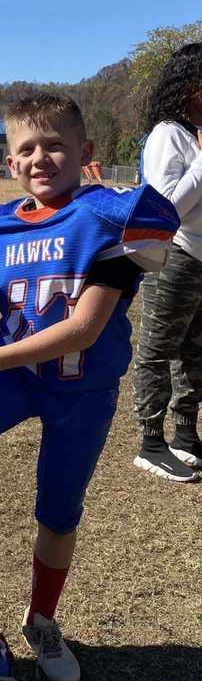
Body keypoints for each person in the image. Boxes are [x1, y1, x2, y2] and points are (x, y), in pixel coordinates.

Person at [0, 92, 179, 681]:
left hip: (81, 388)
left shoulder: (108, 217)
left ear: (84, 152)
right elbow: (3, 314)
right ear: (10, 163)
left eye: (55, 144)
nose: (40, 157)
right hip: (15, 374)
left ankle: (42, 618)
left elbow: (82, 329)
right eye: (26, 149)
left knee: (58, 515)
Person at [133, 42, 202, 481]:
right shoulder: (167, 134)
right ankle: (150, 443)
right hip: (175, 256)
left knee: (193, 353)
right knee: (158, 350)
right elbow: (166, 207)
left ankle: (187, 438)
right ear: (190, 81)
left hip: (200, 260)